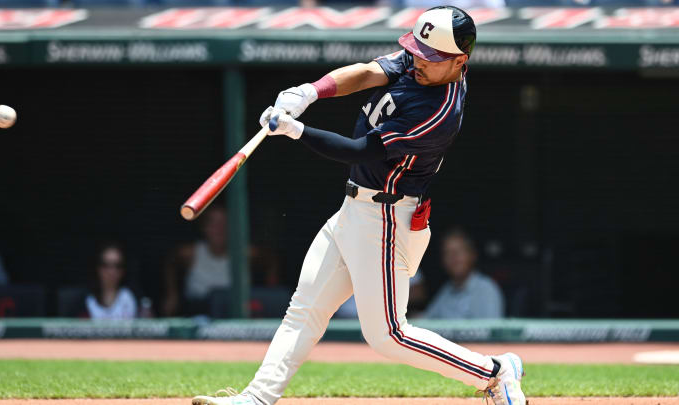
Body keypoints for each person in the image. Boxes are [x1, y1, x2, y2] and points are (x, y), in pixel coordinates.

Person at [192, 6, 526, 405]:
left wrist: (297, 130)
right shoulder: (422, 61)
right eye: (417, 51)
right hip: (354, 211)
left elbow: (359, 150)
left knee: (389, 336)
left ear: (460, 62)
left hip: (386, 218)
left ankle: (494, 371)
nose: (418, 60)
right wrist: (310, 92)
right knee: (304, 310)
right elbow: (369, 71)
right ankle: (257, 398)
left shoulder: (439, 112)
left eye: (431, 58)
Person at [423, 228, 505, 319]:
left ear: (473, 255)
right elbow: (427, 320)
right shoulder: (446, 290)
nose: (454, 257)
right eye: (447, 252)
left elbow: (491, 331)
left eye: (459, 251)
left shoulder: (487, 289)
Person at [85, 242, 137, 320]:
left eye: (117, 266)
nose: (111, 271)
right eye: (106, 265)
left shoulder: (133, 297)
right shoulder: (85, 300)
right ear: (98, 268)